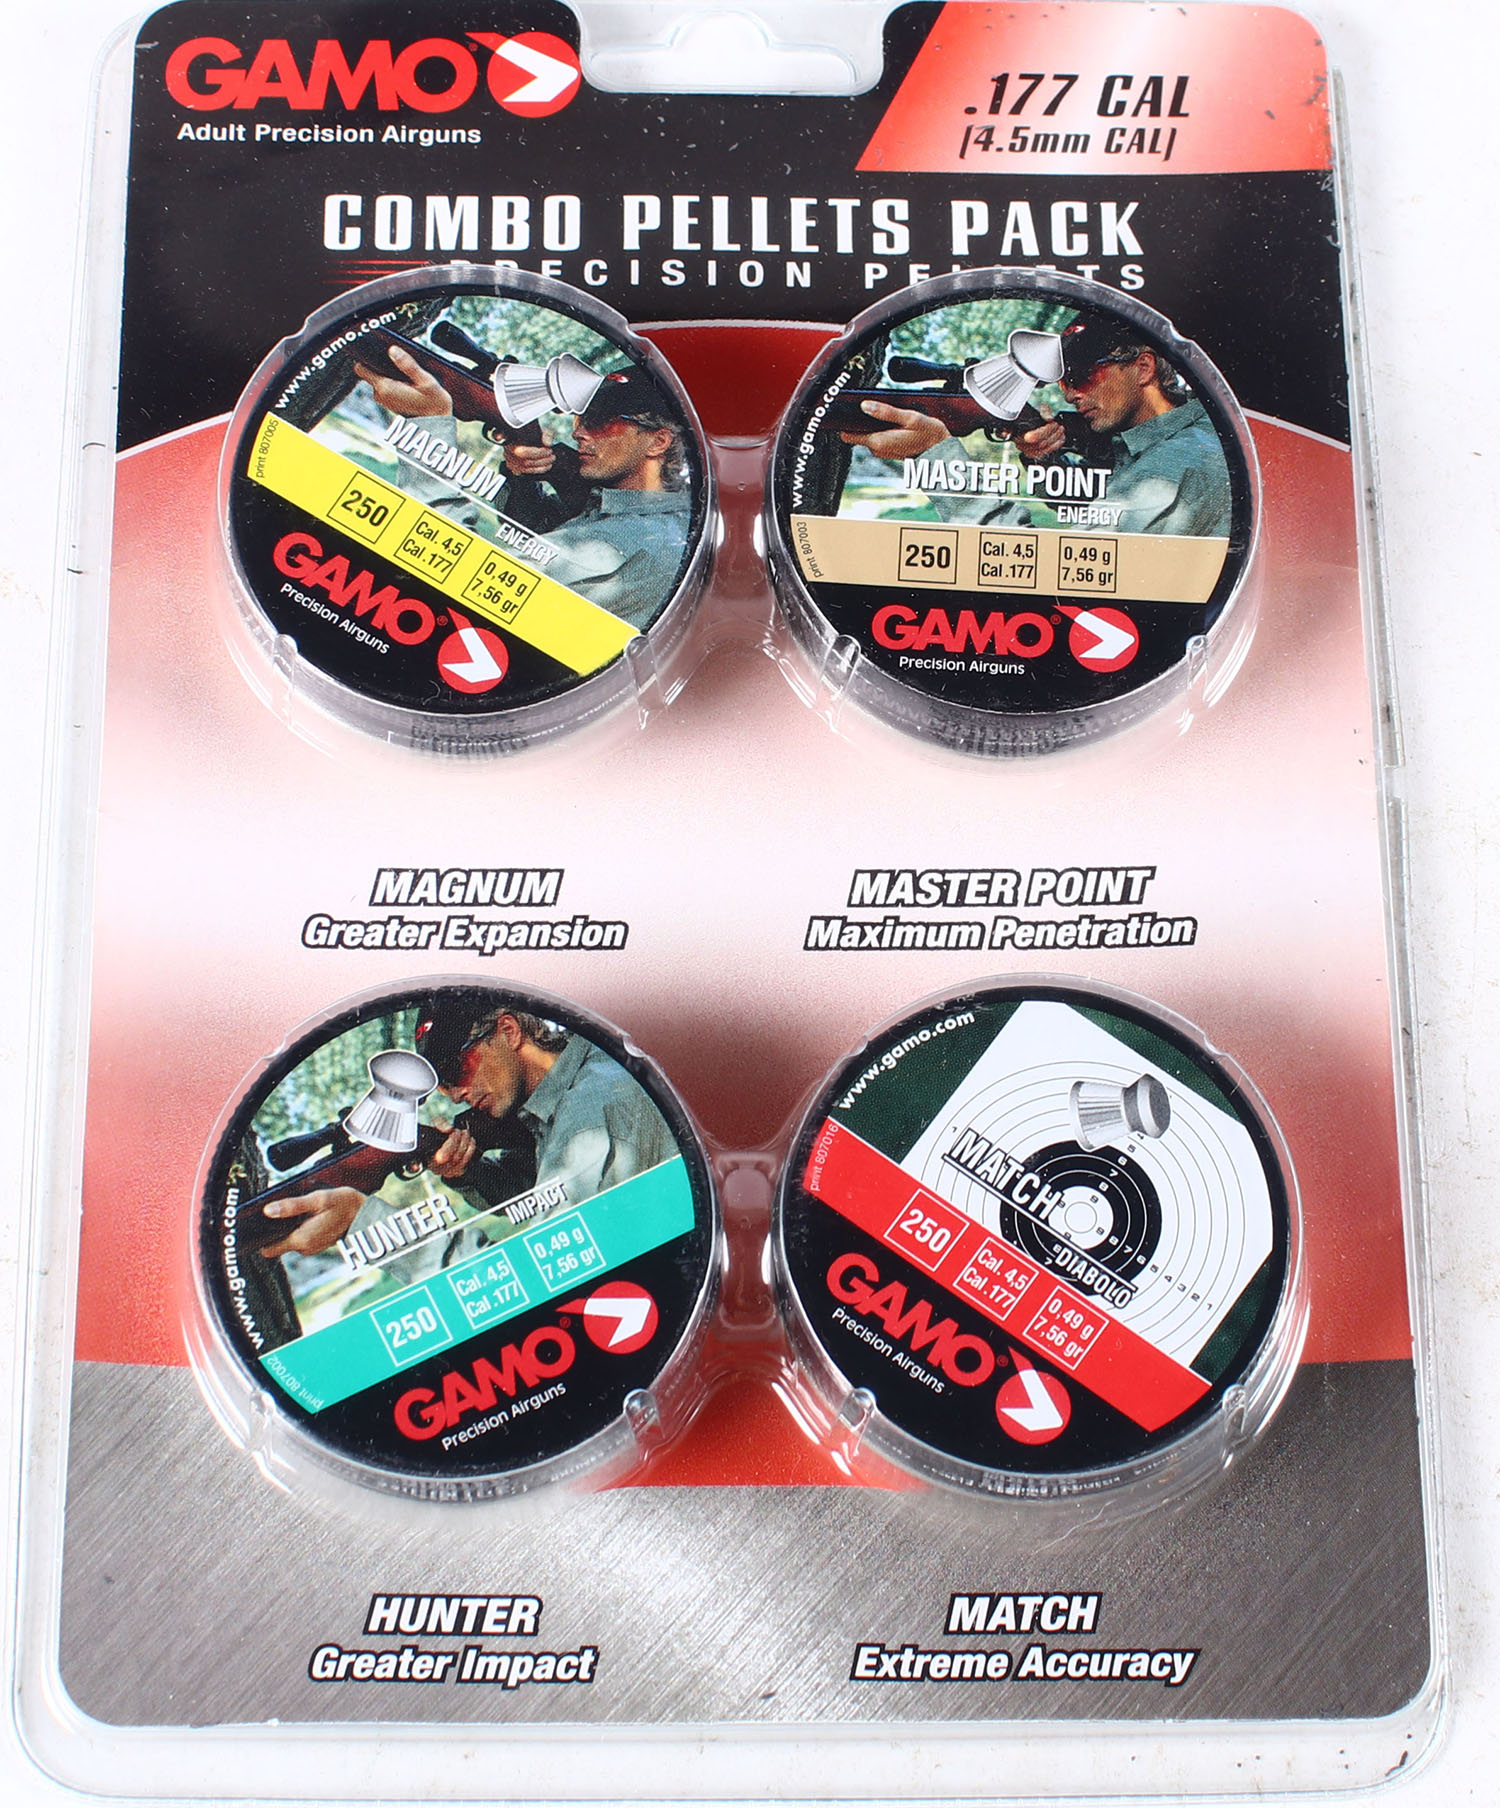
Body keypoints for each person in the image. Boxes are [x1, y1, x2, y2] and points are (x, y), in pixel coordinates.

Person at [257, 999, 676, 1262]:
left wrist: (364, 1222)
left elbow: (543, 1274)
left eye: (458, 1069)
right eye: (442, 1086)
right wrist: (465, 1171)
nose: (456, 1095)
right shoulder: (576, 1092)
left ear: (508, 1031)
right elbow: (535, 1195)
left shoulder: (589, 1118)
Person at [350, 343, 692, 630]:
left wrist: (428, 422)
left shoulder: (621, 544)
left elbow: (444, 574)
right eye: (581, 418)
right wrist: (523, 475)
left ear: (658, 442)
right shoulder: (649, 520)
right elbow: (537, 535)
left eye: (602, 420)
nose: (578, 432)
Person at [842, 312, 1231, 538]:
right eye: (1063, 382)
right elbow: (1093, 508)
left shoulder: (1177, 464)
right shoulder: (1156, 443)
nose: (1070, 395)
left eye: (1082, 376)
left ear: (1144, 368)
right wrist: (1044, 459)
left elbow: (1054, 573)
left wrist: (936, 453)